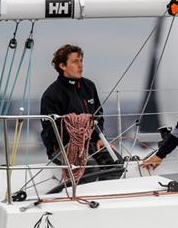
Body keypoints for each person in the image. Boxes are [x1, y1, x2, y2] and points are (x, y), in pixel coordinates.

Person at [40, 44, 121, 181]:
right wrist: (76, 143)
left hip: (91, 143)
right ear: (62, 66)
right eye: (75, 61)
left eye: (81, 61)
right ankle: (81, 199)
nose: (80, 65)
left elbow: (98, 115)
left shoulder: (89, 86)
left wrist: (100, 138)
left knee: (116, 163)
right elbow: (50, 130)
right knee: (90, 167)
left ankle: (102, 197)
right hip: (63, 148)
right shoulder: (51, 95)